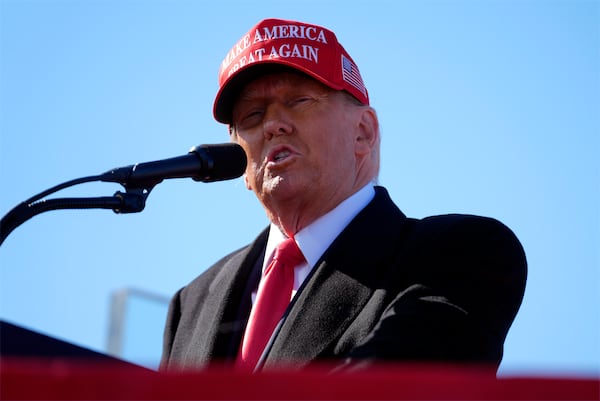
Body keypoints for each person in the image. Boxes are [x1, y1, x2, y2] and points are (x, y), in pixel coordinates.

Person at [160, 18, 527, 373]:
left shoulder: (459, 253)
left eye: (299, 100)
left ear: (364, 133)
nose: (273, 124)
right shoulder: (192, 303)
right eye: (253, 115)